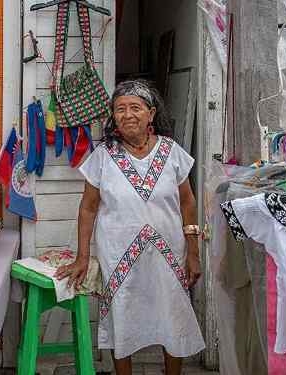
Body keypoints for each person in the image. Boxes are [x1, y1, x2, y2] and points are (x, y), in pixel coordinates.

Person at [54, 80, 205, 374]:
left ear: (150, 113)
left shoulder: (171, 152)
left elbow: (188, 203)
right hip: (119, 254)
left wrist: (194, 252)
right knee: (122, 316)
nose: (127, 115)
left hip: (168, 254)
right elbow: (88, 208)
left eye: (135, 108)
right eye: (120, 109)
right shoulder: (103, 156)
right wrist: (83, 256)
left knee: (172, 315)